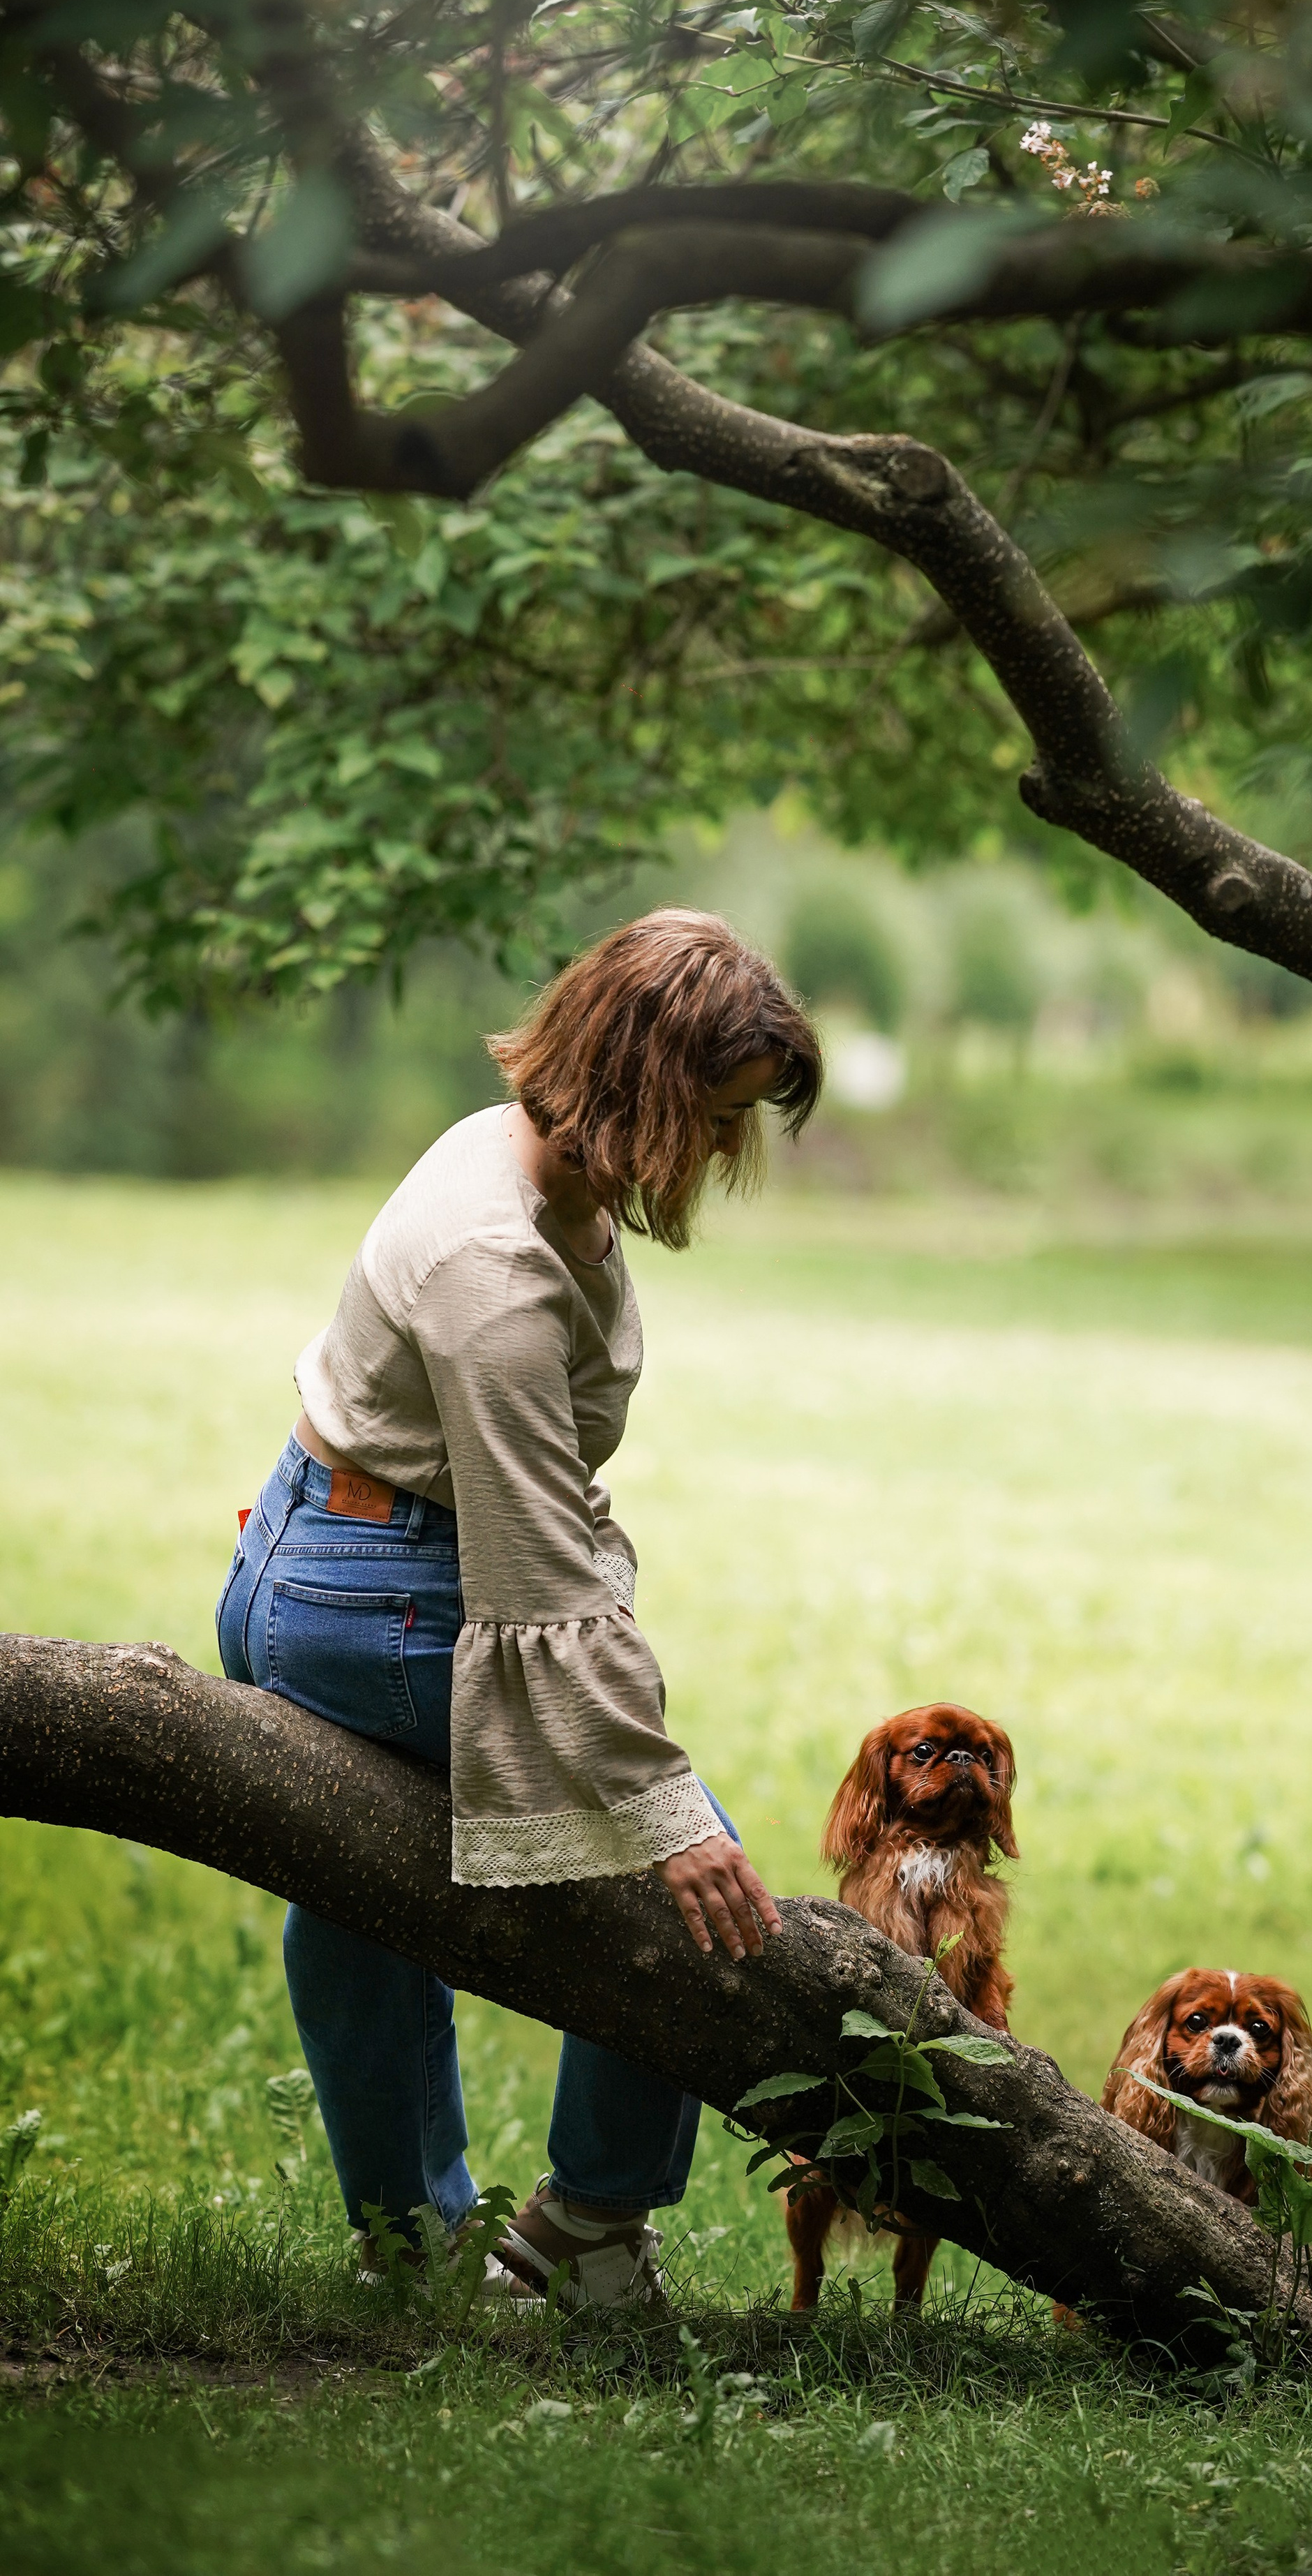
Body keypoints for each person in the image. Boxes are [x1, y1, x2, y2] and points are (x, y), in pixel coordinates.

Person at [216, 909, 822, 2308]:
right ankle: (587, 2230)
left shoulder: (524, 1150)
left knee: (360, 1892)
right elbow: (538, 1579)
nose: (726, 1155)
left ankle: (414, 2245)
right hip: (381, 1599)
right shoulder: (491, 1263)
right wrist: (661, 1810)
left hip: (333, 1554)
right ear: (643, 1089)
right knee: (694, 1886)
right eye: (717, 1118)